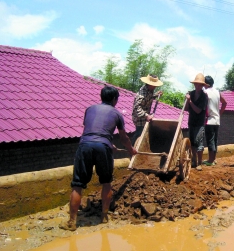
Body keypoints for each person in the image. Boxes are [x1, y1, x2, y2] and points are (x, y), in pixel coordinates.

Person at [60, 86, 137, 231]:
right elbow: (123, 137)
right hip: (103, 147)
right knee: (106, 182)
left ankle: (71, 221)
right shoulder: (117, 113)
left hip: (85, 145)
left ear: (102, 97)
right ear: (115, 99)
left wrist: (109, 143)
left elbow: (94, 130)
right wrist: (130, 150)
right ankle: (104, 216)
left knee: (78, 184)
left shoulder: (89, 109)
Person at [131, 74, 163, 145]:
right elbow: (137, 107)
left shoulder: (149, 90)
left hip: (145, 116)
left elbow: (149, 97)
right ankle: (132, 148)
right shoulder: (142, 94)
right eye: (154, 85)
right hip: (139, 118)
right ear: (150, 84)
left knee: (144, 132)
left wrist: (156, 95)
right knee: (139, 133)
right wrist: (146, 116)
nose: (155, 86)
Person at [203, 76, 227, 166]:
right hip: (217, 120)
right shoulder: (217, 92)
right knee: (215, 140)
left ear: (206, 84)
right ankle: (213, 159)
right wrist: (219, 113)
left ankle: (210, 161)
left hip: (209, 120)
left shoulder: (205, 92)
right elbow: (225, 103)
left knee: (210, 140)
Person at [185, 73, 208, 171]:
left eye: (200, 85)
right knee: (192, 143)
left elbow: (198, 110)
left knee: (199, 143)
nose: (197, 86)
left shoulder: (204, 96)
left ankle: (199, 163)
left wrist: (190, 102)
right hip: (191, 122)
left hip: (199, 123)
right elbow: (186, 109)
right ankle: (194, 161)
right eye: (196, 84)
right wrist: (186, 101)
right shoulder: (191, 94)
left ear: (202, 86)